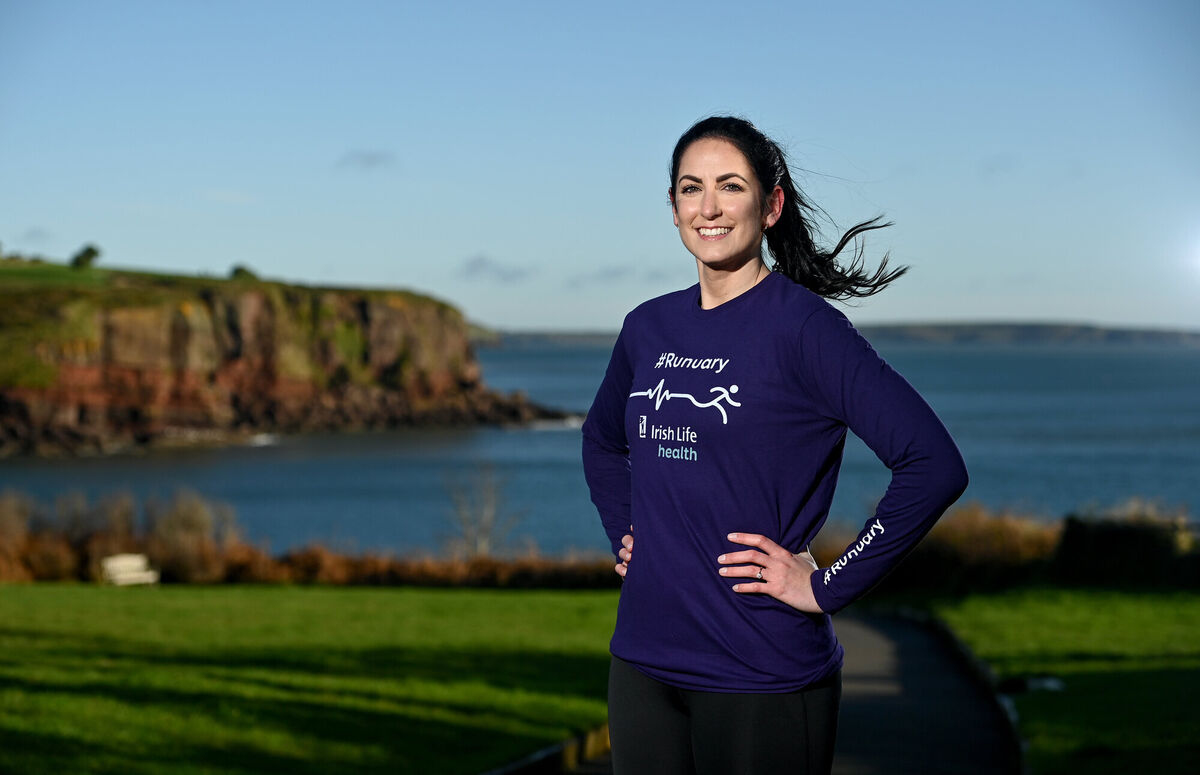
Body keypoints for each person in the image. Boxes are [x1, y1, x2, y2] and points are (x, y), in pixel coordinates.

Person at [581, 115, 968, 775]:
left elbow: (932, 465)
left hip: (762, 669)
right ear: (672, 207)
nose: (708, 207)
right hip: (644, 664)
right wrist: (627, 529)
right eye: (689, 188)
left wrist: (827, 585)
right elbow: (601, 439)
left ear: (771, 205)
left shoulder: (806, 330)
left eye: (730, 186)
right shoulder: (647, 327)